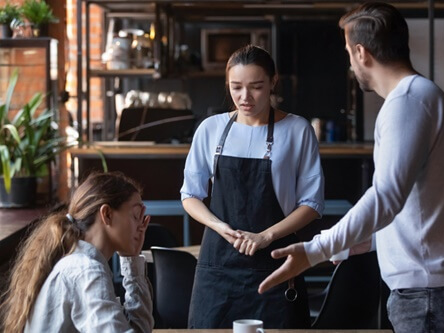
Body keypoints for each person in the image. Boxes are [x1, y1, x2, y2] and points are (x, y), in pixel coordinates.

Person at [258, 3, 444, 332]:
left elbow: (386, 197)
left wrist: (316, 250)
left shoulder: (406, 102)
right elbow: (416, 206)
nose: (349, 63)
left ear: (361, 52)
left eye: (348, 52)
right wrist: (359, 242)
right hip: (435, 291)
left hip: (430, 297)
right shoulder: (425, 96)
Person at [180, 44, 324, 328]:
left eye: (256, 87)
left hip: (276, 263)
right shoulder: (210, 129)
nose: (244, 97)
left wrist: (265, 236)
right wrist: (220, 227)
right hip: (218, 268)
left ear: (273, 82)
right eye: (236, 87)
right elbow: (190, 194)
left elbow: (312, 204)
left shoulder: (297, 130)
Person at [0, 172, 154, 333]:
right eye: (136, 216)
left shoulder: (81, 263)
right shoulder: (86, 270)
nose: (141, 226)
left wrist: (132, 260)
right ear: (107, 214)